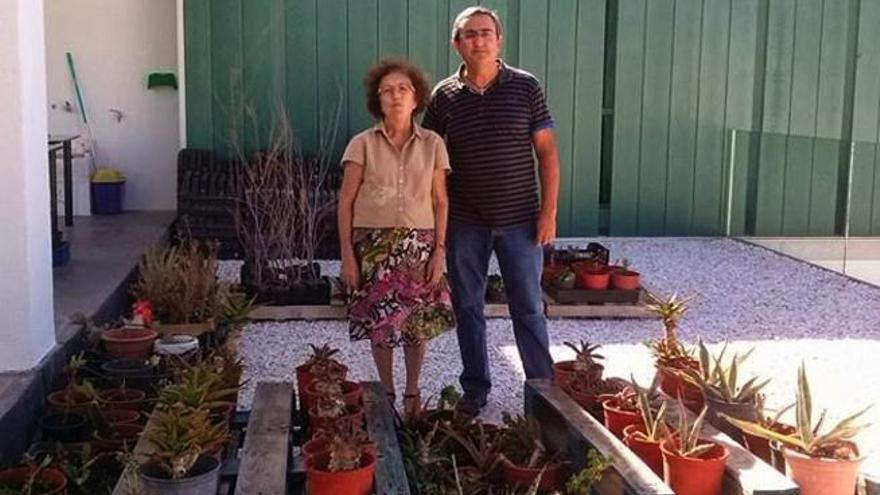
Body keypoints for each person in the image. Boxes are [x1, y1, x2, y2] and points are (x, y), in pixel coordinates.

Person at [422, 6, 561, 415]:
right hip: (466, 222)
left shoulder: (525, 87)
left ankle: (542, 392)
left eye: (485, 33)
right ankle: (476, 389)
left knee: (529, 307)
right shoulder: (443, 97)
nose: (478, 40)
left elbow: (548, 154)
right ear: (456, 44)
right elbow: (430, 159)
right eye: (469, 35)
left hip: (521, 220)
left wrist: (548, 212)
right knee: (468, 307)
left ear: (499, 40)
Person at [338, 58, 455, 420]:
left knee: (416, 323)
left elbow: (440, 200)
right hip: (373, 247)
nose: (396, 96)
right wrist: (347, 256)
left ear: (416, 97)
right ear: (378, 100)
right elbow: (345, 202)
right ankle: (386, 390)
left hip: (419, 247)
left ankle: (412, 391)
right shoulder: (362, 144)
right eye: (387, 90)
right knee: (381, 324)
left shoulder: (433, 144)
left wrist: (439, 252)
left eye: (403, 89)